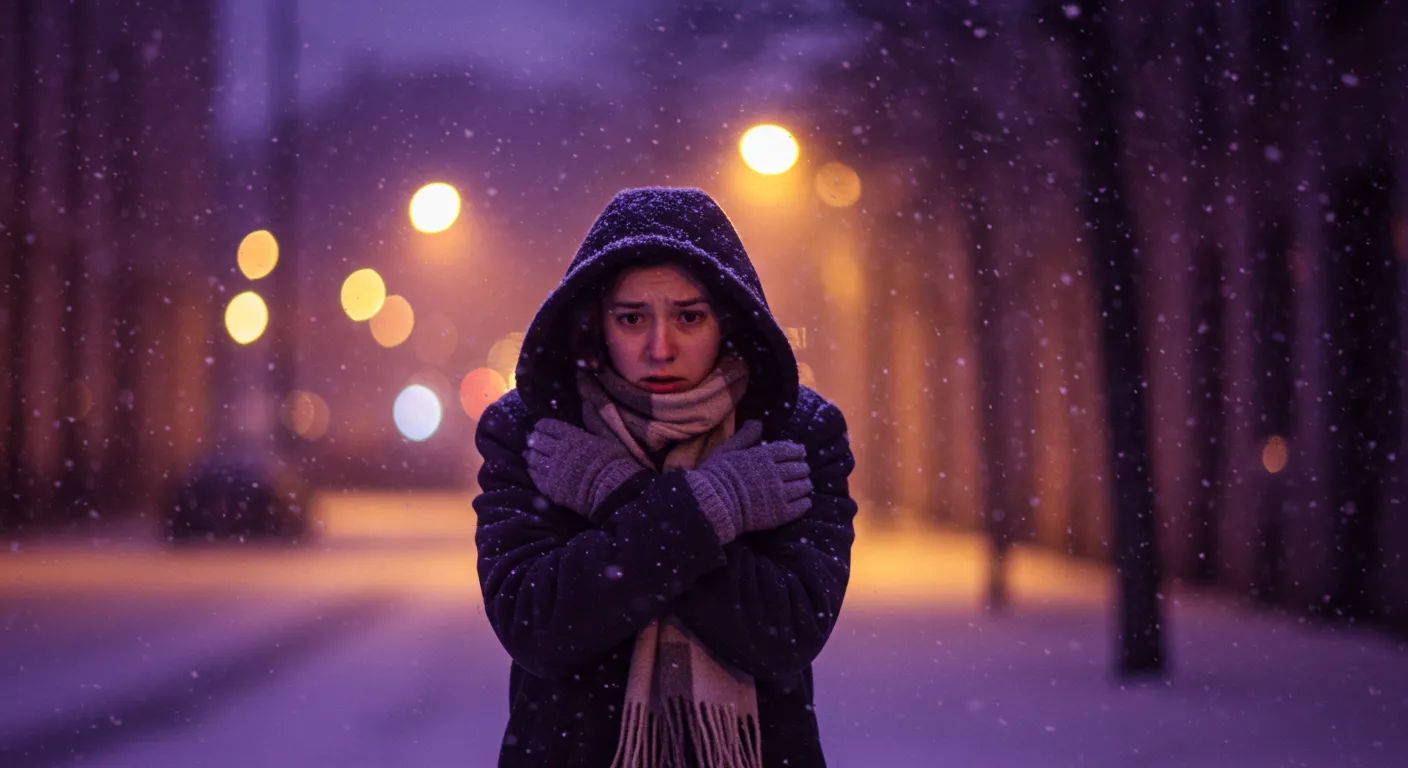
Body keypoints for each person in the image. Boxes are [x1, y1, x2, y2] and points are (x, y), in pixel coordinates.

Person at [473, 187, 857, 767]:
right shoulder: (530, 431)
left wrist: (612, 489)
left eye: (689, 316)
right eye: (632, 318)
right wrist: (717, 504)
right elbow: (539, 626)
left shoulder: (798, 435)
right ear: (595, 323)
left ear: (728, 321)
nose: (661, 347)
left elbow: (784, 631)